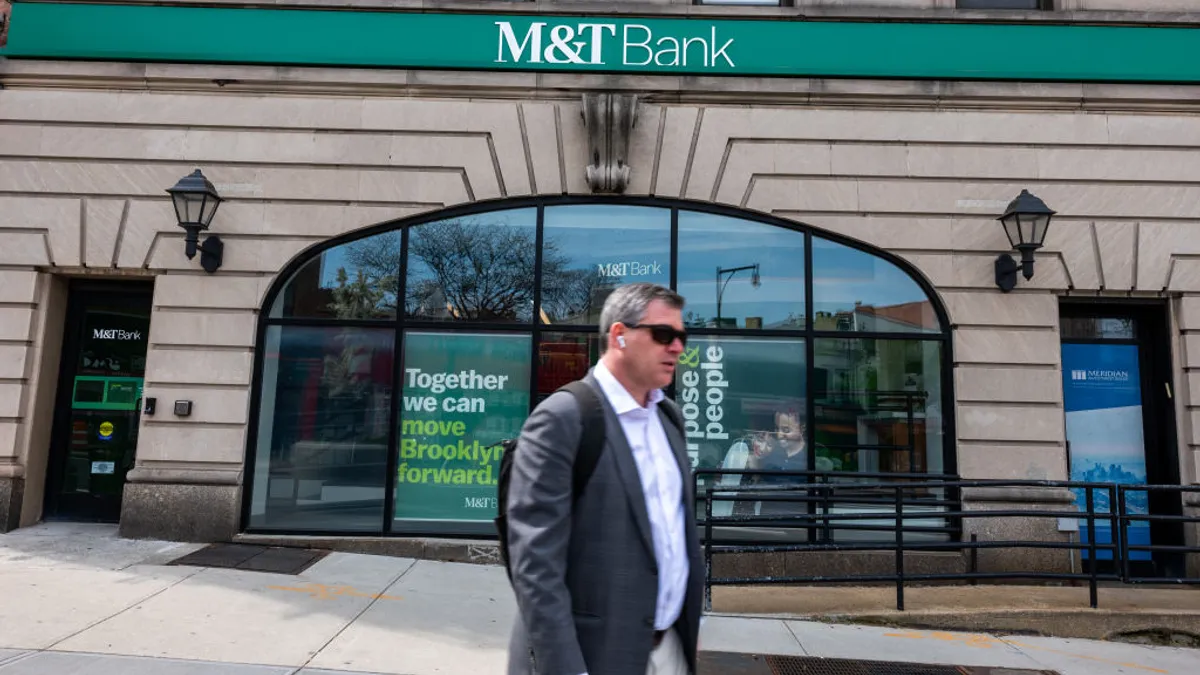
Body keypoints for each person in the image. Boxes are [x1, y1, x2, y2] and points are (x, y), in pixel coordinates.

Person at [505, 282, 704, 675]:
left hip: (668, 652)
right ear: (620, 336)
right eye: (663, 334)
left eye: (682, 336)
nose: (677, 347)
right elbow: (535, 565)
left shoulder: (669, 419)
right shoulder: (563, 417)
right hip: (594, 657)